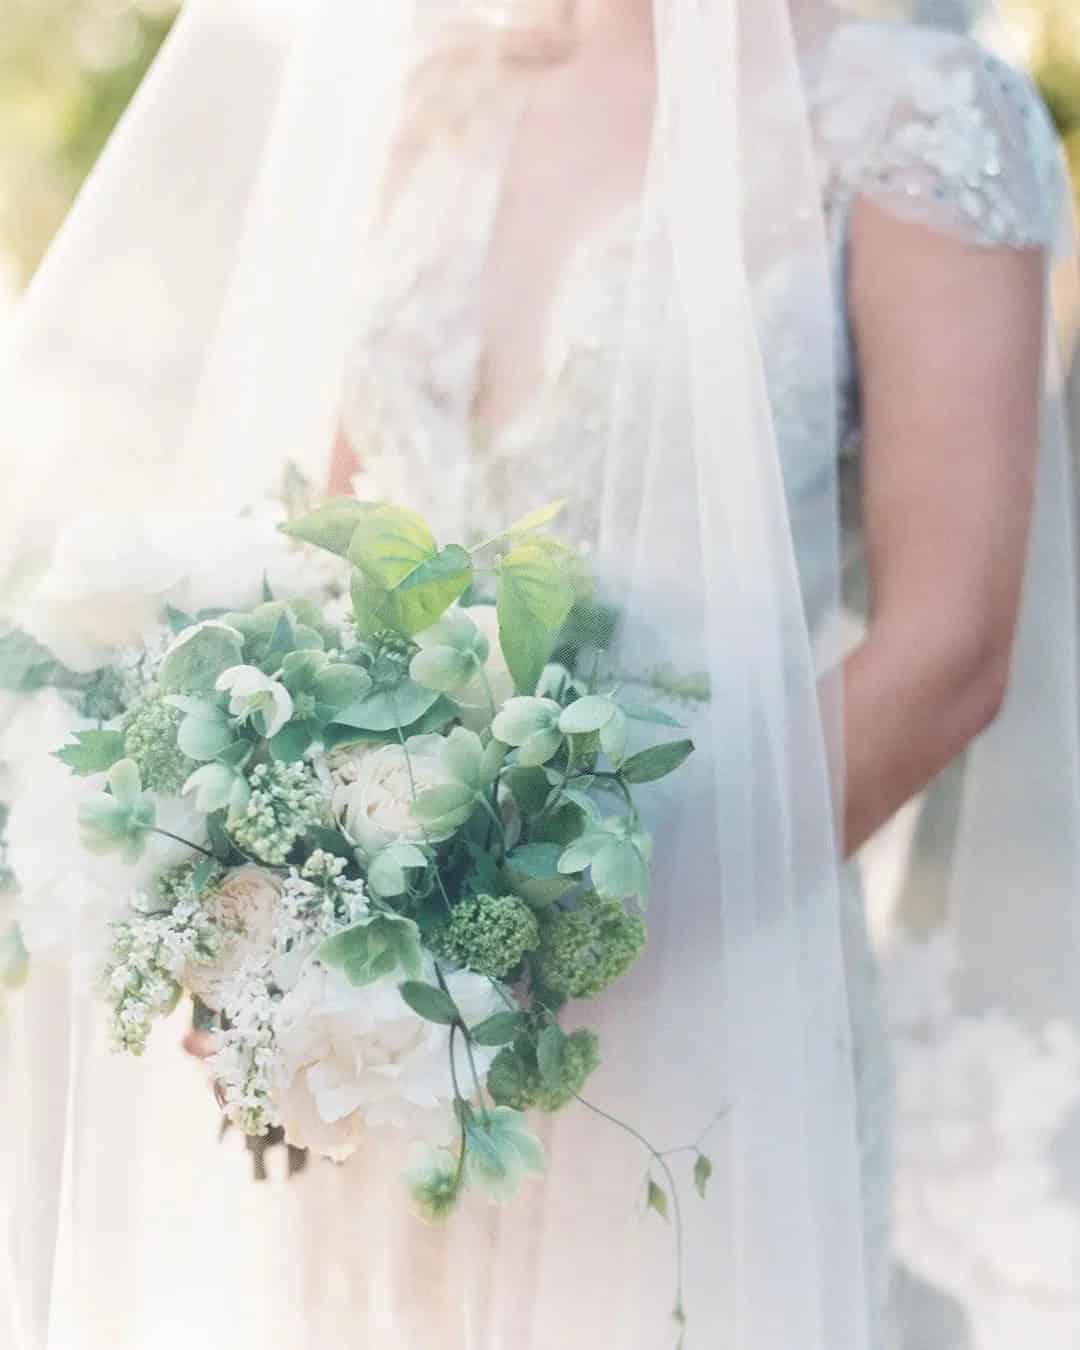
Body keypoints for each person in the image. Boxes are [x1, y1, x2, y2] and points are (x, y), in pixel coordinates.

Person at [1, 1, 1077, 1347]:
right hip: (393, 1038)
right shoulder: (443, 90)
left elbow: (950, 652)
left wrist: (555, 955)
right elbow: (325, 539)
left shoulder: (912, 122)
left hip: (707, 1000)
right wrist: (268, 912)